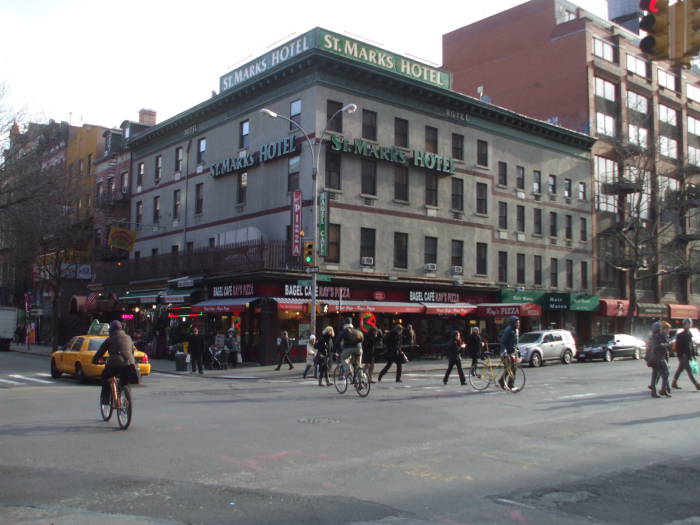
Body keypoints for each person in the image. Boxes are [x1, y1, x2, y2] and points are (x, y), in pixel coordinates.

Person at [92, 320, 136, 404]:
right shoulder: (128, 338)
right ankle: (127, 401)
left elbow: (100, 352)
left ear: (111, 330)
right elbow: (132, 351)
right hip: (129, 363)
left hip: (114, 364)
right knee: (125, 382)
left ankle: (105, 398)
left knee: (105, 377)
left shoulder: (110, 339)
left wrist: (95, 360)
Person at [672, 318, 699, 390]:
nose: (689, 325)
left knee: (680, 369)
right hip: (683, 355)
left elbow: (690, 345)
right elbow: (678, 346)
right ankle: (696, 384)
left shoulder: (689, 333)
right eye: (688, 324)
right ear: (684, 325)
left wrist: (693, 355)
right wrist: (682, 354)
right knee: (689, 370)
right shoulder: (680, 335)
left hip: (688, 355)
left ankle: (674, 382)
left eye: (690, 323)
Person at [648, 320, 672, 397]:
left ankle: (654, 390)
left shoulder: (652, 336)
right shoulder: (660, 335)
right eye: (660, 327)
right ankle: (663, 389)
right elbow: (665, 346)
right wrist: (665, 345)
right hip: (659, 357)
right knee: (666, 373)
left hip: (653, 357)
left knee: (655, 373)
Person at [498, 316, 520, 391]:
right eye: (516, 323)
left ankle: (502, 381)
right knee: (511, 368)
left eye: (518, 322)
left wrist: (518, 352)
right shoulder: (508, 330)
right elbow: (503, 341)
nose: (518, 324)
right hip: (506, 353)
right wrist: (504, 352)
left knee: (511, 368)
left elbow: (515, 343)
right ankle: (510, 385)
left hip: (512, 352)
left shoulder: (516, 330)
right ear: (512, 323)